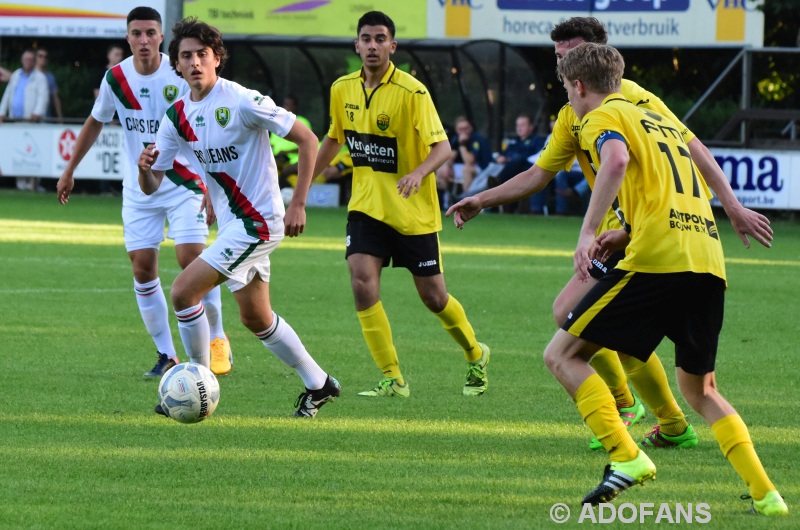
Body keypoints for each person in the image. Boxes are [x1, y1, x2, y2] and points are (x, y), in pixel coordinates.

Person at [448, 16, 774, 454]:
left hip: (647, 232)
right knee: (574, 314)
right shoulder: (572, 113)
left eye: (572, 52)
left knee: (579, 319)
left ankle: (642, 412)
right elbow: (537, 174)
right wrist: (482, 199)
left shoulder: (632, 96)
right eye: (559, 55)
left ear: (597, 52)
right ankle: (660, 417)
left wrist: (731, 205)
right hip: (618, 233)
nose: (563, 61)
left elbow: (692, 147)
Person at [550, 42, 786, 514]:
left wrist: (589, 232)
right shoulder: (660, 119)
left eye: (567, 91)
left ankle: (626, 456)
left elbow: (614, 163)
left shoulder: (601, 117)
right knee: (702, 391)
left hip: (658, 259)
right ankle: (767, 495)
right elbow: (674, 182)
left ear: (578, 86)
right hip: (707, 258)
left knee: (562, 354)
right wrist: (628, 231)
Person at [137, 17, 340, 418]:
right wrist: (145, 168)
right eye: (185, 56)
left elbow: (307, 138)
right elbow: (151, 184)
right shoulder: (176, 116)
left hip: (259, 221)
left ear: (217, 59)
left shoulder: (243, 100)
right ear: (176, 65)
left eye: (202, 55)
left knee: (182, 292)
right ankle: (320, 384)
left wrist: (299, 202)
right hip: (233, 223)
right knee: (256, 317)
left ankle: (196, 384)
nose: (194, 62)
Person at [313, 10, 490, 398]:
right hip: (366, 206)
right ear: (356, 45)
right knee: (361, 282)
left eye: (380, 39)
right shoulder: (342, 88)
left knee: (434, 297)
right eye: (366, 38)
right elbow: (333, 138)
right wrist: (304, 177)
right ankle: (393, 378)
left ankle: (476, 353)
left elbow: (442, 147)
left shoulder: (413, 92)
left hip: (412, 211)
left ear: (392, 46)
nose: (372, 45)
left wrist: (418, 172)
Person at [56, 6, 233, 380]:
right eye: (136, 33)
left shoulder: (180, 70)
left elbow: (206, 122)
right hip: (140, 185)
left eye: (150, 33)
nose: (143, 40)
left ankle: (217, 338)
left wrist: (212, 183)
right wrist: (70, 169)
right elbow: (95, 122)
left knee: (192, 259)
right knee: (142, 268)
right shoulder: (116, 80)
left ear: (160, 36)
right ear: (127, 38)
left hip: (184, 181)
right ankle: (166, 354)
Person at [0, 49, 49, 192]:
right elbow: (8, 94)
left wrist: (37, 113)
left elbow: (43, 97)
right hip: (15, 121)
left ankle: (33, 182)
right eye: (25, 59)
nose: (27, 62)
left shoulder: (40, 77)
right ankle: (20, 182)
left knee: (34, 151)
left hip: (31, 122)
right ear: (22, 61)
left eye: (30, 59)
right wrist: (2, 112)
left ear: (34, 62)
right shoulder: (16, 75)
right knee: (17, 150)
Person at [490, 113, 547, 213]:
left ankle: (497, 181)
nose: (519, 128)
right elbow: (504, 155)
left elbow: (535, 157)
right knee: (491, 167)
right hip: (507, 169)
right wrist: (501, 158)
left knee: (518, 160)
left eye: (522, 125)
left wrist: (509, 159)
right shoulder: (514, 142)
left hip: (526, 169)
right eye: (517, 125)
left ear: (531, 127)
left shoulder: (537, 140)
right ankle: (477, 193)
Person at [436, 116, 492, 209]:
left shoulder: (476, 139)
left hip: (481, 169)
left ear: (471, 127)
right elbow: (449, 157)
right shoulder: (455, 138)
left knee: (467, 169)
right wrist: (447, 166)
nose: (463, 131)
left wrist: (462, 144)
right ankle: (446, 199)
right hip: (461, 167)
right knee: (441, 168)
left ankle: (467, 202)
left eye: (466, 128)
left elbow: (469, 161)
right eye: (460, 129)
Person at [95, 43, 125, 196]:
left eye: (121, 54)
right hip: (107, 121)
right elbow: (98, 97)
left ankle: (117, 186)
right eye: (116, 54)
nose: (119, 57)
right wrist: (108, 119)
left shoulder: (125, 73)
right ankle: (104, 187)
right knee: (106, 153)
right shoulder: (103, 73)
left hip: (123, 122)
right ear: (109, 55)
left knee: (119, 154)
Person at [35, 48, 63, 122]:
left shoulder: (50, 77)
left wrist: (60, 117)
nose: (43, 58)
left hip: (46, 118)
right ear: (35, 58)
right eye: (40, 56)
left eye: (45, 56)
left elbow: (55, 97)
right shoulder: (29, 75)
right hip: (29, 117)